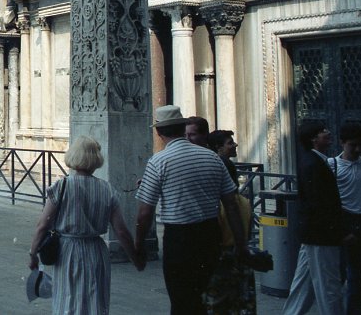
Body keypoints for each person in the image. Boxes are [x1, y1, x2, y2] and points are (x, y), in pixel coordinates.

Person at [134, 105, 247, 315]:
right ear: (182, 128)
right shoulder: (212, 157)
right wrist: (241, 243)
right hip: (210, 235)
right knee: (201, 295)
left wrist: (139, 245)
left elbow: (145, 212)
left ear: (158, 133)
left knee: (181, 299)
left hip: (179, 238)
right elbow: (231, 204)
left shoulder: (158, 161)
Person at [27, 137, 138, 314]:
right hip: (96, 250)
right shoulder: (107, 189)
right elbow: (121, 230)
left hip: (68, 251)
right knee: (95, 300)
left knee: (68, 299)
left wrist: (33, 254)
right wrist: (135, 256)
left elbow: (43, 225)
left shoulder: (61, 186)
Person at [282, 122, 349, 314]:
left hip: (313, 235)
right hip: (321, 237)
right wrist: (339, 232)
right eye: (322, 131)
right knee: (329, 286)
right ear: (313, 139)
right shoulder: (313, 164)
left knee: (303, 286)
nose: (328, 133)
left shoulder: (313, 161)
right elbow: (319, 204)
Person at [204, 129, 256, 314]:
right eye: (229, 143)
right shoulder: (235, 204)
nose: (234, 145)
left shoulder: (229, 204)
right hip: (232, 254)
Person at [331, 121, 361, 315]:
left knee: (358, 277)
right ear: (342, 143)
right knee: (338, 274)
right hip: (342, 221)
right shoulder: (333, 166)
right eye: (353, 145)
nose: (358, 149)